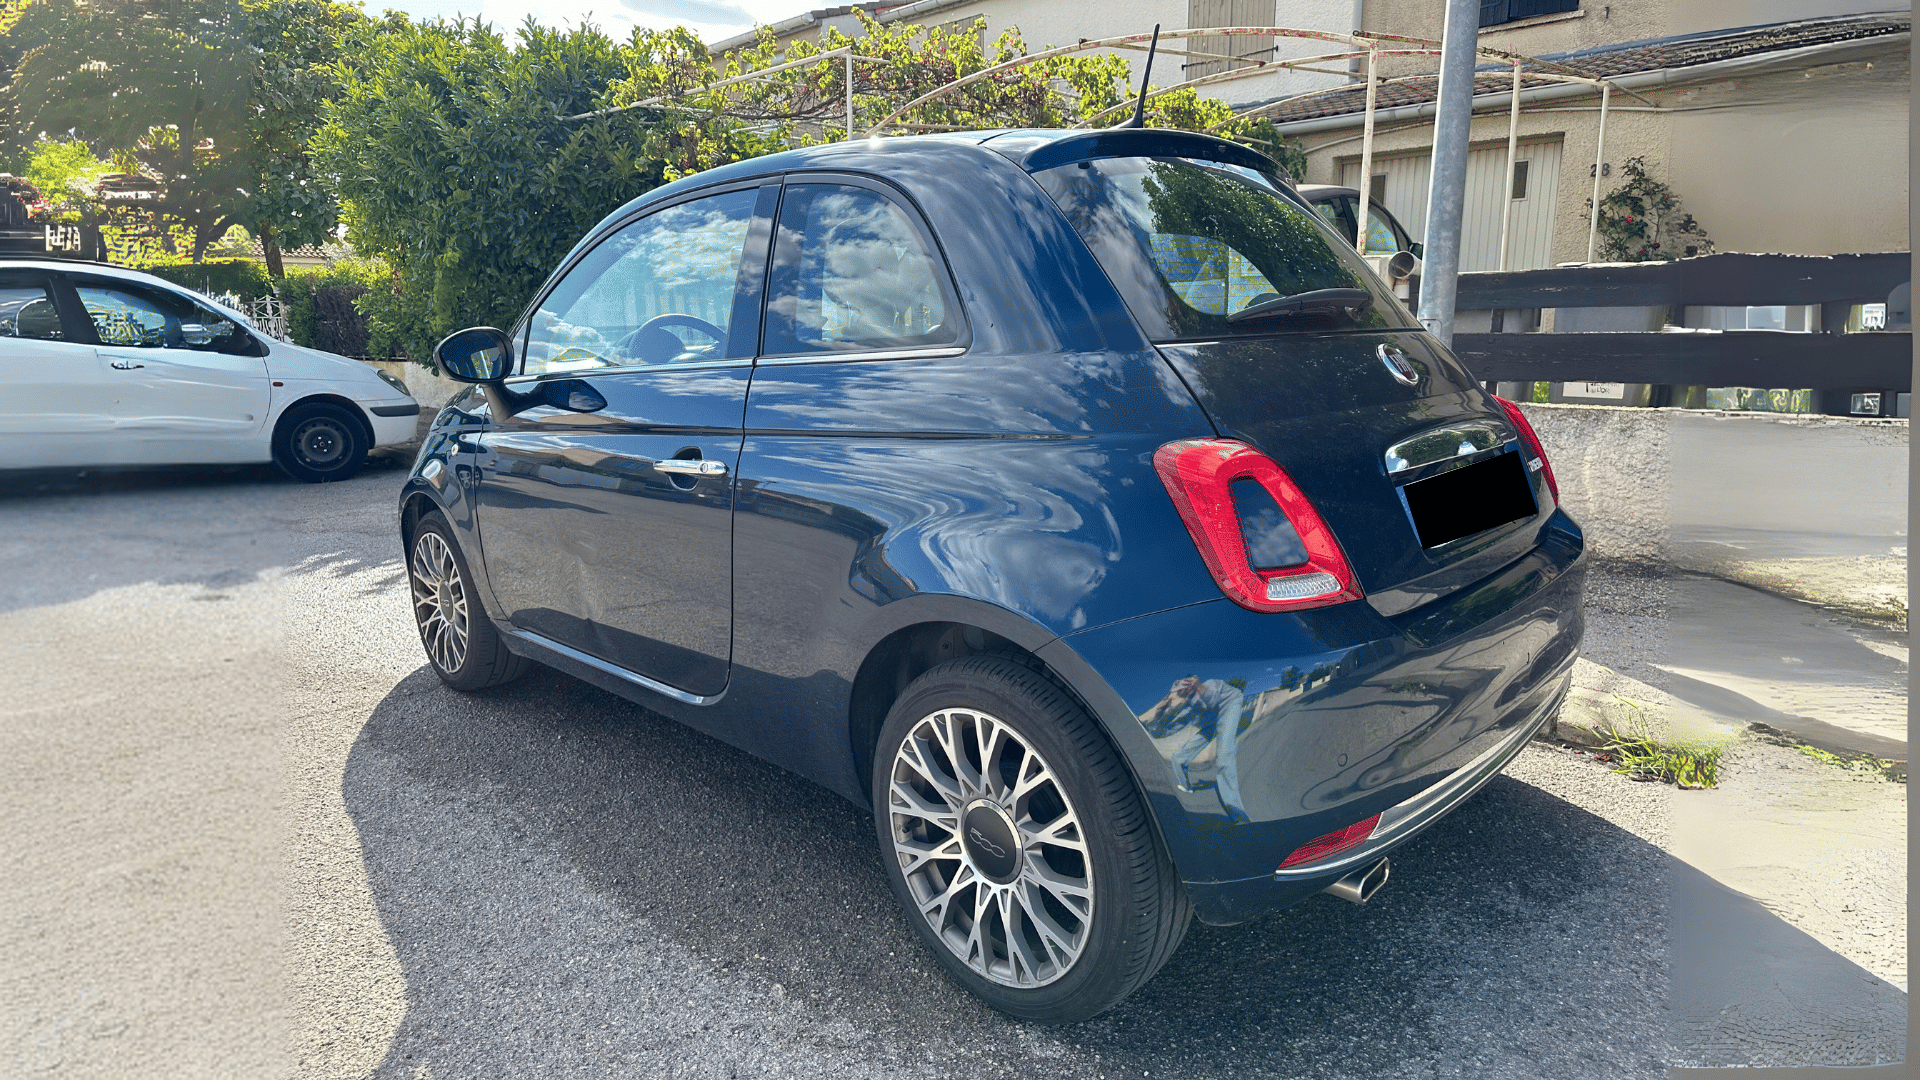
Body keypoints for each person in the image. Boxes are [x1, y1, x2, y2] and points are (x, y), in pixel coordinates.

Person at [1140, 675, 1249, 825]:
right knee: (1178, 758)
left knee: (1224, 759)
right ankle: (1186, 786)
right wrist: (1158, 716)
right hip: (1210, 722)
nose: (1182, 694)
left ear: (1191, 685)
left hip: (1228, 704)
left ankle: (1240, 817)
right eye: (1180, 693)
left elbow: (1211, 700)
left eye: (1184, 690)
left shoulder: (1210, 684)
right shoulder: (1190, 709)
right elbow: (1165, 732)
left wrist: (1199, 687)